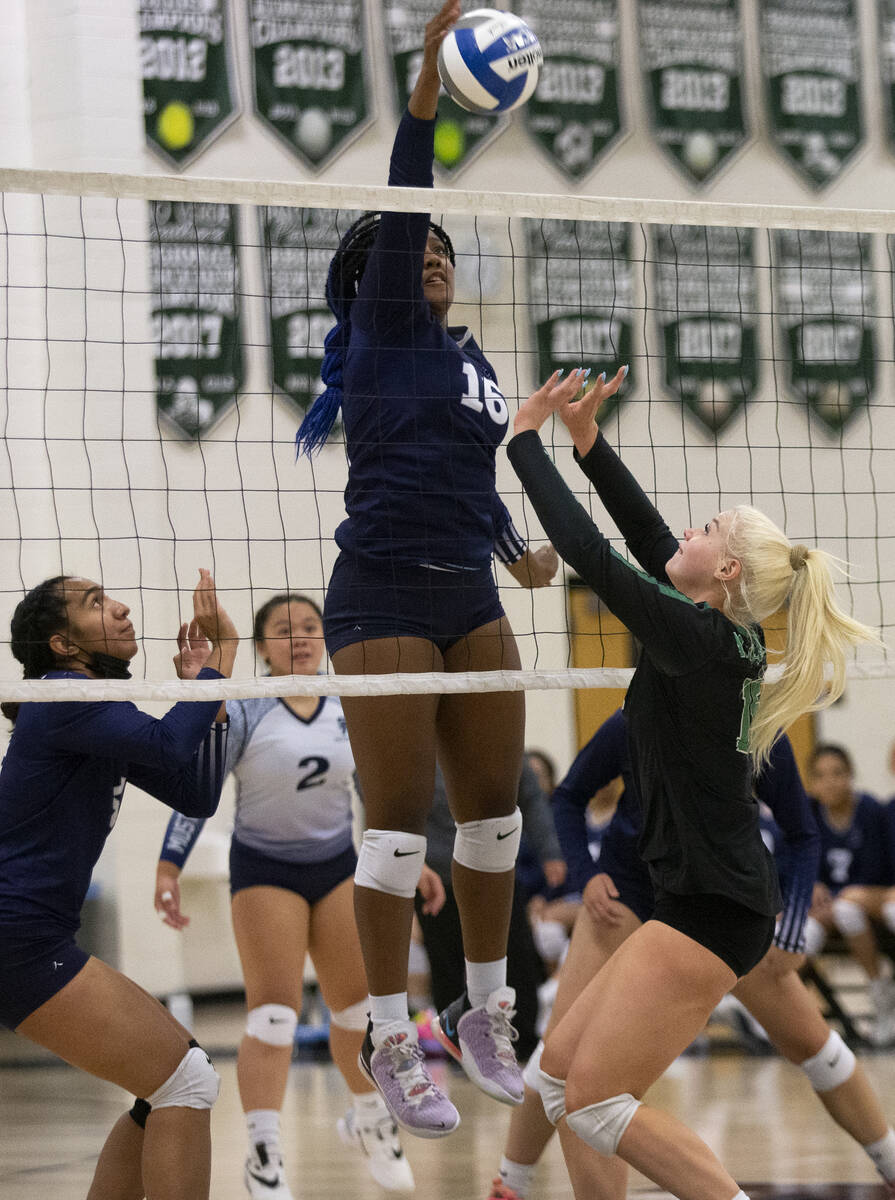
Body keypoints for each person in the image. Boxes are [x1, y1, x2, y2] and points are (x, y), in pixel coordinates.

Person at [505, 364, 880, 1200]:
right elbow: (647, 541)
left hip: (714, 907)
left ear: (728, 576)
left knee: (598, 1102)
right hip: (698, 895)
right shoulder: (714, 632)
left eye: (706, 530)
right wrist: (587, 444)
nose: (688, 533)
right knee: (566, 1082)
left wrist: (524, 442)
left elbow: (592, 557)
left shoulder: (700, 643)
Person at [293, 0, 557, 1138]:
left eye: (447, 256)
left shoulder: (466, 360)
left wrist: (519, 550)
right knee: (400, 824)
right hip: (382, 590)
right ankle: (389, 1035)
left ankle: (484, 1016)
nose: (437, 262)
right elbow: (411, 196)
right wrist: (424, 93)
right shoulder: (388, 333)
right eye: (422, 254)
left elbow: (476, 475)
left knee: (494, 814)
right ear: (385, 280)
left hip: (466, 583)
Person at [487, 710, 895, 1200]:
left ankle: (889, 1160)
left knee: (811, 1042)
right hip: (631, 895)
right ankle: (511, 1184)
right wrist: (585, 876)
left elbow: (802, 834)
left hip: (722, 906)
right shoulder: (635, 721)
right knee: (569, 1067)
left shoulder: (756, 725)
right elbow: (570, 797)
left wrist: (790, 932)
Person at [154, 593, 433, 1199]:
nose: (301, 638)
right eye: (285, 630)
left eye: (311, 627)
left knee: (356, 1013)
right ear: (261, 647)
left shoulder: (346, 702)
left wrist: (415, 857)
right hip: (265, 870)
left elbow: (378, 791)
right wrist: (169, 866)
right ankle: (263, 1152)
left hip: (336, 866)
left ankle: (370, 1121)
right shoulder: (250, 706)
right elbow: (200, 788)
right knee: (275, 1016)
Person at [0, 570, 236, 1200]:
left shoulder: (91, 709)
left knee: (167, 1087)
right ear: (62, 645)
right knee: (186, 1080)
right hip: (18, 937)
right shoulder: (63, 698)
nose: (124, 609)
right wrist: (216, 673)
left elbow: (197, 792)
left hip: (27, 937)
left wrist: (211, 692)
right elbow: (165, 744)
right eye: (96, 604)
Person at [418, 758, 564, 1063]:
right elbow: (379, 796)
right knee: (446, 963)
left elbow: (532, 797)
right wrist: (412, 862)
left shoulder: (489, 729)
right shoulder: (416, 742)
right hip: (437, 876)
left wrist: (550, 851)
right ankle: (457, 1046)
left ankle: (522, 1043)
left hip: (494, 870)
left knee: (518, 956)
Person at [802, 743, 895, 1044]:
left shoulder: (872, 811)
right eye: (821, 775)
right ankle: (771, 1019)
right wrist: (812, 883)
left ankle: (881, 996)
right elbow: (800, 865)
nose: (830, 782)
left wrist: (854, 896)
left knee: (849, 908)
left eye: (838, 773)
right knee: (801, 934)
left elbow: (882, 874)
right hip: (830, 907)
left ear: (851, 774)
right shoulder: (809, 814)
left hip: (868, 902)